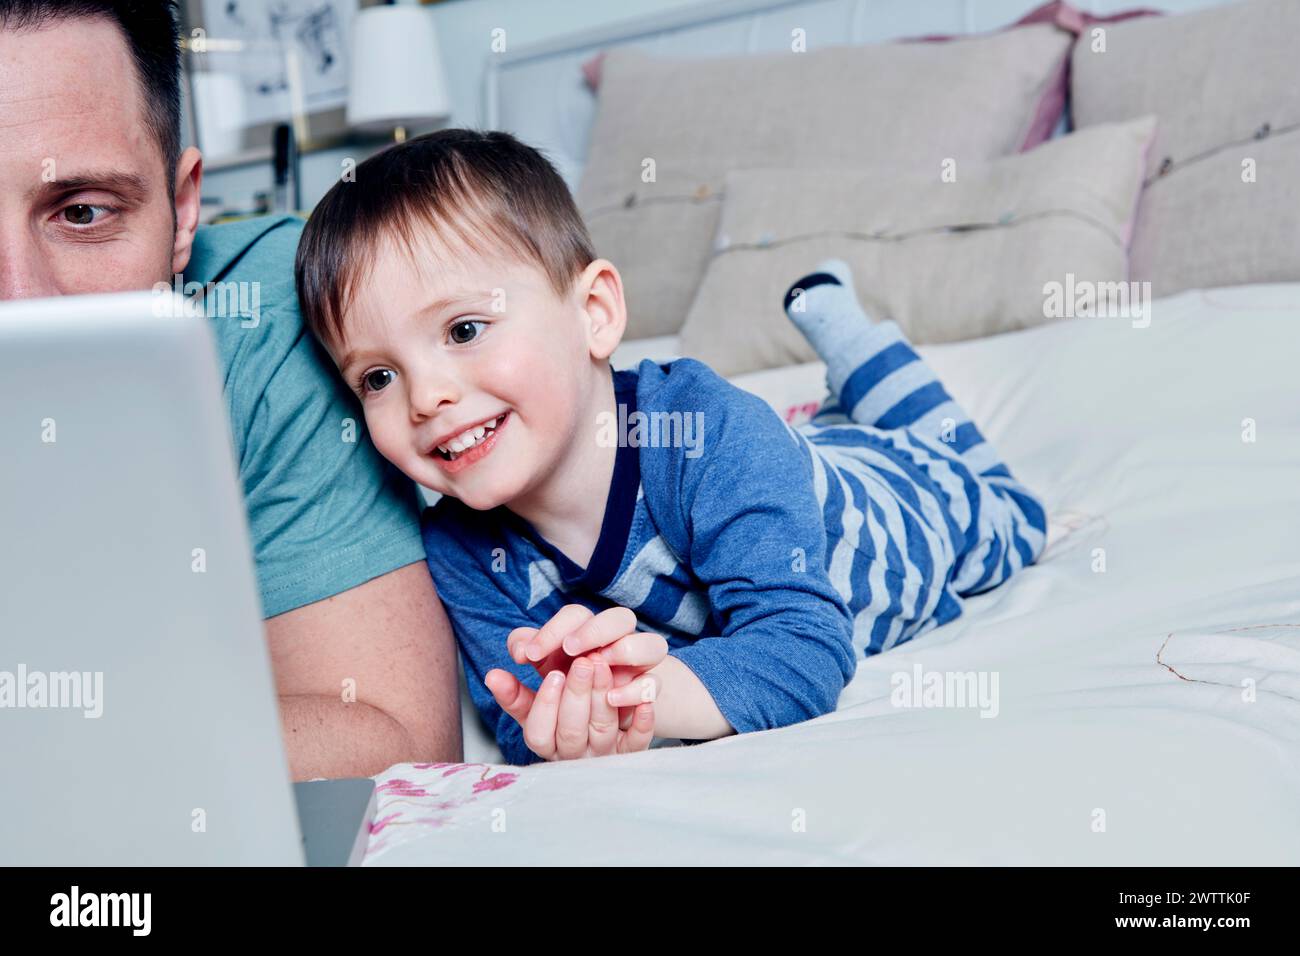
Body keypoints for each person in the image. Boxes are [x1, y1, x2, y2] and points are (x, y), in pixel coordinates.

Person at [294, 129, 1048, 766]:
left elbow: (802, 651)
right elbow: (524, 727)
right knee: (810, 438)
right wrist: (571, 726)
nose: (426, 398)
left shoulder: (708, 433)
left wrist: (637, 701)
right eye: (379, 376)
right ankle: (827, 414)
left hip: (891, 508)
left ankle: (852, 339)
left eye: (463, 331)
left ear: (594, 314)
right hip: (781, 463)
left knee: (998, 503)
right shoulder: (460, 552)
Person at [0, 0, 462, 777]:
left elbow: (394, 741)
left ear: (184, 213)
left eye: (82, 212)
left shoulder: (275, 319)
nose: (18, 305)